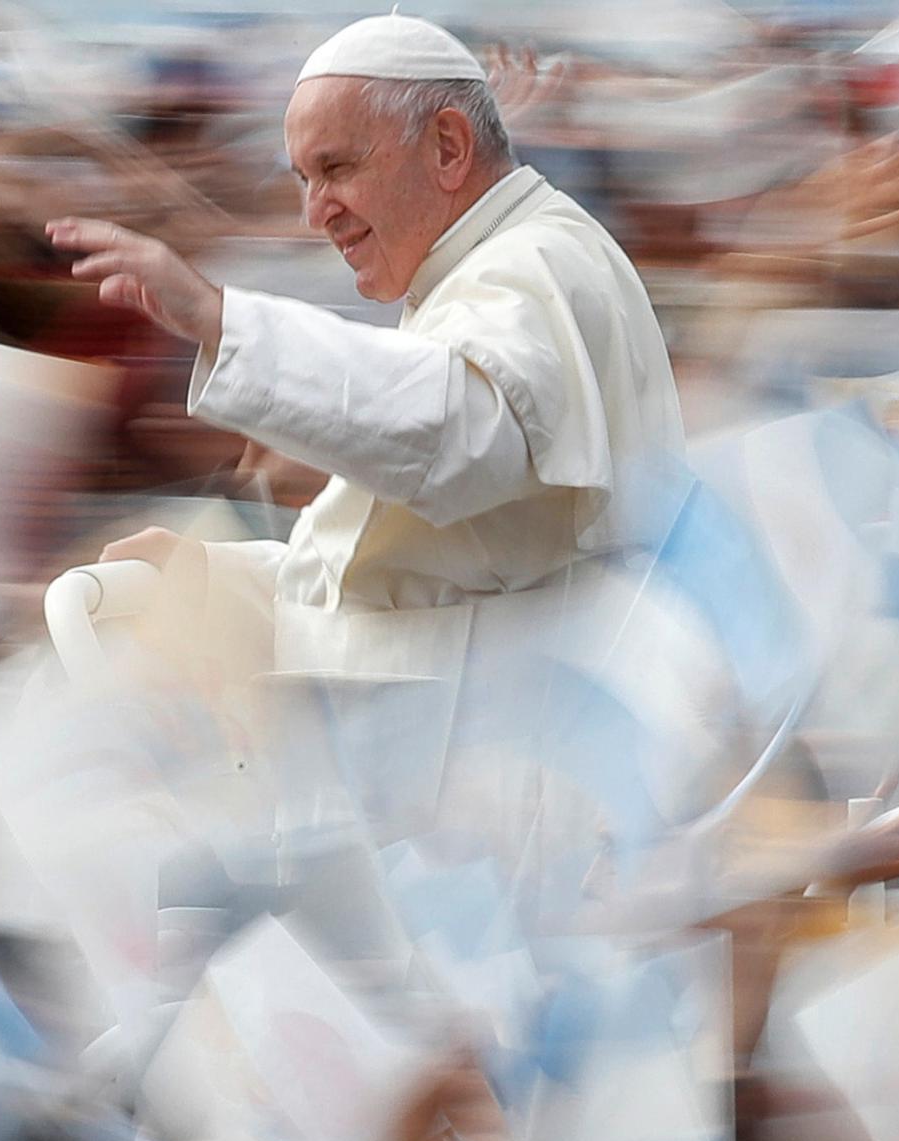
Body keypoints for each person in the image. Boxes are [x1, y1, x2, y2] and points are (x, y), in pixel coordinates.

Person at [50, 14, 687, 686]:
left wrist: (219, 320)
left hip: (505, 756)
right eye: (302, 178)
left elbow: (454, 432)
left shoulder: (535, 263)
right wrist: (210, 573)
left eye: (337, 168)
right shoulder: (490, 266)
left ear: (447, 147)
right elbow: (403, 586)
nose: (314, 211)